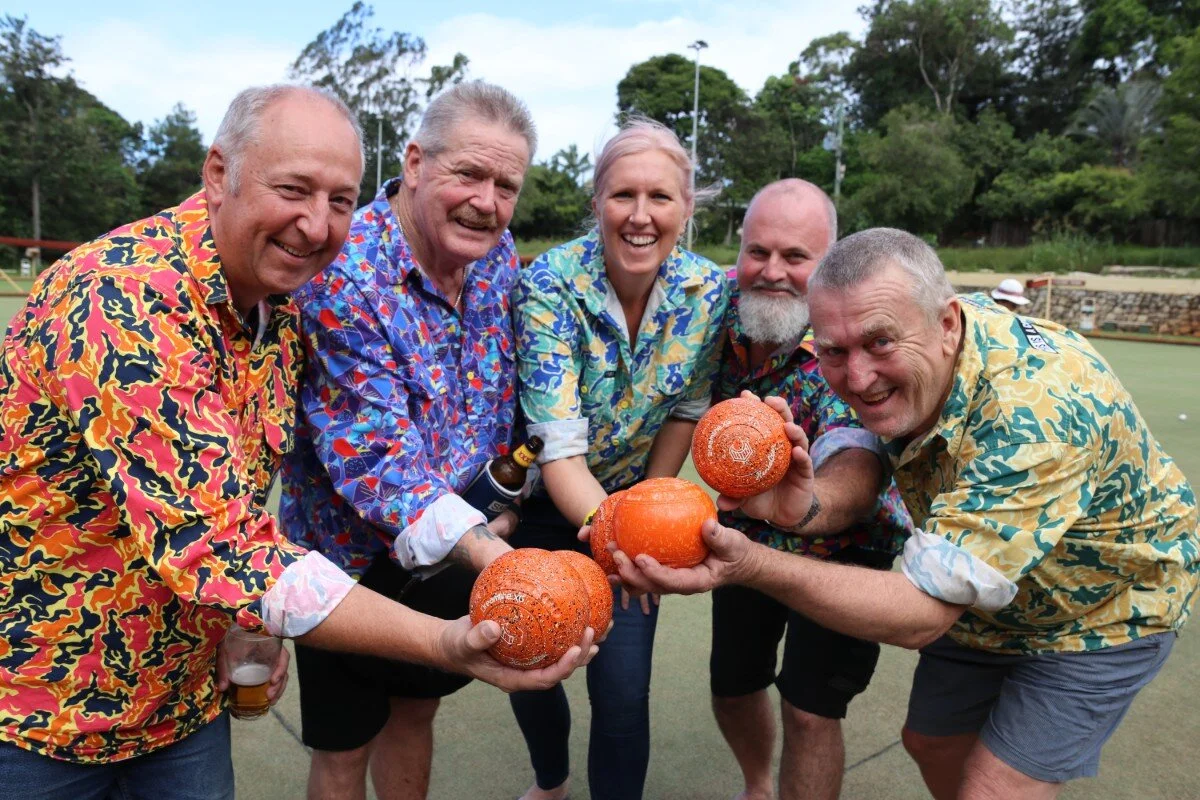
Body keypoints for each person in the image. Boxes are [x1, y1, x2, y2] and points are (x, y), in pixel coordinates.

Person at [0, 84, 592, 800]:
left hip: (180, 702)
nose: (316, 225)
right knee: (344, 746)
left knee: (409, 718)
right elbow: (224, 544)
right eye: (293, 189)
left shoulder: (278, 304)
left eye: (340, 200)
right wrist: (449, 629)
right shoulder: (124, 300)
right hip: (42, 712)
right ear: (219, 174)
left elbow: (237, 495)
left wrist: (236, 623)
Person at [615, 227, 1197, 800]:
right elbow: (862, 449)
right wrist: (801, 508)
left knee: (993, 788)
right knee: (930, 741)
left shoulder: (1035, 418)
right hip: (989, 598)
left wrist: (748, 563)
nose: (858, 378)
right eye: (835, 351)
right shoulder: (921, 324)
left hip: (1100, 610)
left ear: (946, 325)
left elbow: (922, 613)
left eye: (880, 344)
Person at [278, 81, 550, 800]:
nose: (487, 201)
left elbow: (499, 399)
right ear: (417, 161)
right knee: (344, 747)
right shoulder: (345, 273)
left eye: (506, 185)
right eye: (469, 173)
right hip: (348, 565)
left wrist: (508, 506)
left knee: (416, 711)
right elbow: (377, 463)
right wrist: (496, 556)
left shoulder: (496, 254)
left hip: (458, 546)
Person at [508, 117, 731, 800]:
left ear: (686, 208)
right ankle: (552, 781)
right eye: (622, 195)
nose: (640, 216)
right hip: (546, 504)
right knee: (532, 657)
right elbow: (559, 448)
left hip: (633, 512)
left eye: (660, 198)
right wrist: (620, 532)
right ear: (596, 201)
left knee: (624, 693)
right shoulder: (547, 285)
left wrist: (647, 512)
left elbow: (687, 408)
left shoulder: (709, 293)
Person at [710, 180, 912, 800]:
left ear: (829, 262)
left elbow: (855, 462)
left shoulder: (850, 335)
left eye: (796, 257)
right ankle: (757, 786)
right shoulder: (716, 314)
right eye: (757, 251)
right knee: (733, 685)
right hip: (750, 534)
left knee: (809, 709)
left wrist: (806, 505)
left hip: (850, 546)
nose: (772, 272)